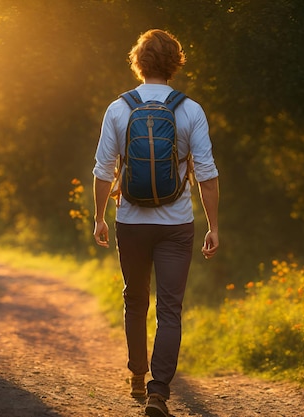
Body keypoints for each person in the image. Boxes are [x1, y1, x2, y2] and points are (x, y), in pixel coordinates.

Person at [92, 29, 219, 417]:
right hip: (177, 224)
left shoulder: (118, 108)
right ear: (175, 63)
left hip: (130, 221)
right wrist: (214, 224)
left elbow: (102, 170)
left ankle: (136, 372)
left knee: (135, 298)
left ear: (138, 62)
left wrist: (99, 217)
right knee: (170, 309)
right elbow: (207, 174)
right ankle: (158, 392)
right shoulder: (190, 110)